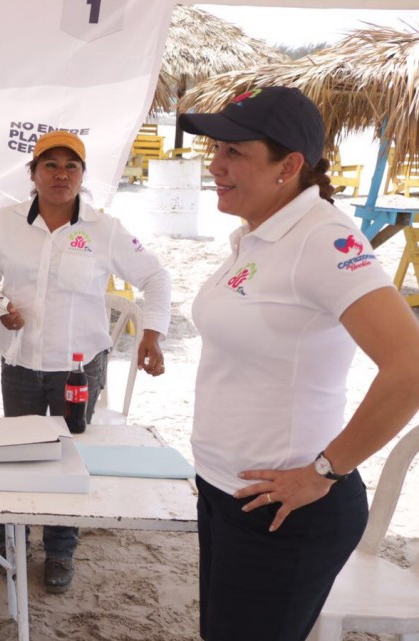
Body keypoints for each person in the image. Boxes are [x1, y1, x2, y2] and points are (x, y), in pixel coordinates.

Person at [178, 86, 419, 641]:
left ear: (289, 165)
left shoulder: (322, 239)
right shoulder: (259, 236)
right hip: (227, 494)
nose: (215, 165)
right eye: (215, 149)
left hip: (285, 511)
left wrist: (325, 471)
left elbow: (409, 367)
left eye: (235, 152)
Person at [0, 130, 171, 593]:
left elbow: (156, 276)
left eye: (71, 166)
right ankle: (13, 539)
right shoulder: (7, 221)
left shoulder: (105, 229)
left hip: (78, 368)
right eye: (50, 165)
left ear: (82, 174)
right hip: (19, 361)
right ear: (33, 173)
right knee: (15, 454)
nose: (61, 175)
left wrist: (152, 335)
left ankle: (60, 549)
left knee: (68, 456)